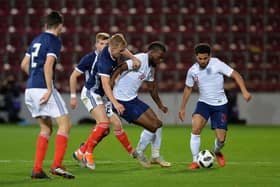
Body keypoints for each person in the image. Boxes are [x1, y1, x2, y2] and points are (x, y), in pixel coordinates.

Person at [72, 33, 143, 170]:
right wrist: (115, 103)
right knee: (104, 123)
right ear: (113, 49)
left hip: (102, 95)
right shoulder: (104, 61)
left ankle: (80, 152)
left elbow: (123, 47)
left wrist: (133, 57)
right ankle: (88, 153)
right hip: (91, 93)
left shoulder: (115, 48)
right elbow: (105, 85)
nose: (122, 53)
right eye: (120, 51)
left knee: (114, 125)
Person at [178, 43, 252, 170]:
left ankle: (217, 151)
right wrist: (182, 108)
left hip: (220, 105)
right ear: (196, 57)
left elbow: (236, 75)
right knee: (195, 129)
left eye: (205, 58)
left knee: (221, 139)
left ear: (210, 56)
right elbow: (188, 88)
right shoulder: (192, 70)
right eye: (200, 58)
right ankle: (195, 160)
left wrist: (244, 91)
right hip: (203, 104)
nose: (202, 61)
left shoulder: (217, 64)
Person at [20, 11, 74, 179]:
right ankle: (57, 165)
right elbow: (48, 65)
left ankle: (37, 169)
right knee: (65, 124)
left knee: (46, 128)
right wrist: (49, 88)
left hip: (30, 89)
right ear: (59, 25)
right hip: (44, 88)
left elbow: (23, 65)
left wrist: (34, 79)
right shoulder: (54, 41)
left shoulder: (36, 40)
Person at [110, 41, 171, 167]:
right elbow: (120, 68)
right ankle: (139, 151)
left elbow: (152, 88)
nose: (160, 60)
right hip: (122, 101)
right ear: (151, 52)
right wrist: (109, 87)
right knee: (153, 127)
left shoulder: (151, 67)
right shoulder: (139, 59)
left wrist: (160, 105)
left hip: (133, 99)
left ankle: (155, 156)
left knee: (158, 124)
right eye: (159, 56)